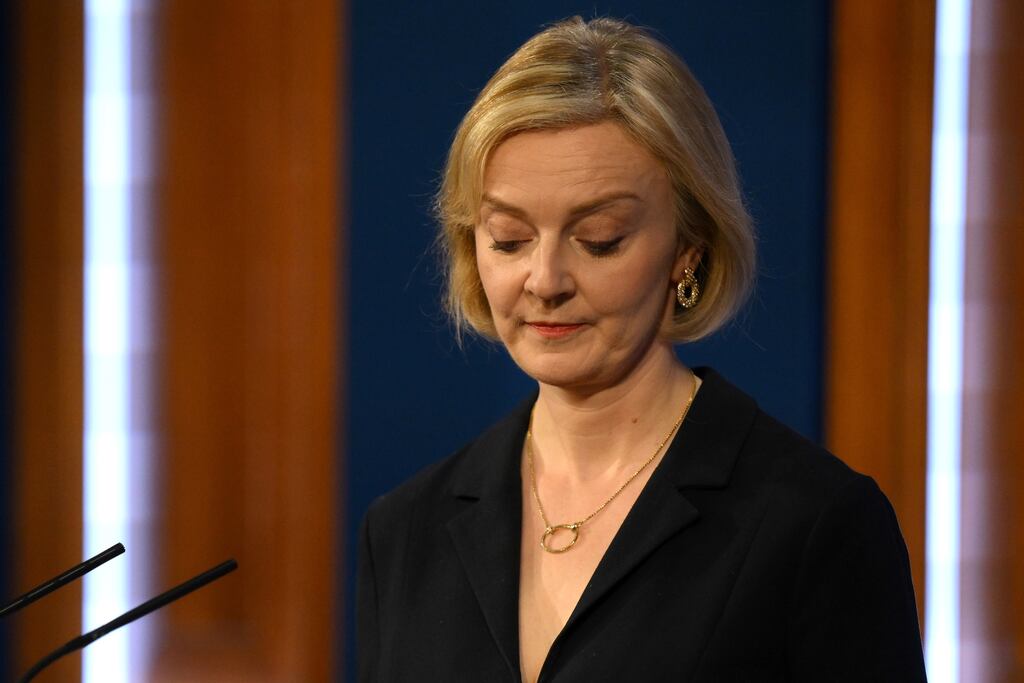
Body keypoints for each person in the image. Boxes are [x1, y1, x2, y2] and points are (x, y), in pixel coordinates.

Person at [356, 16, 926, 683]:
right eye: (508, 238)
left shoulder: (817, 525)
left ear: (689, 247)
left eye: (598, 239)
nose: (544, 281)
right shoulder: (403, 532)